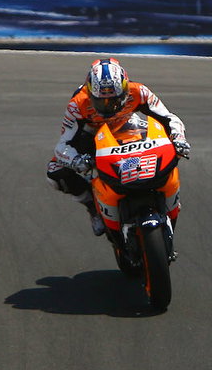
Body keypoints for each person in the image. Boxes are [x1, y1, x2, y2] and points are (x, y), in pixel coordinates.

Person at [47, 58, 190, 236]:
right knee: (55, 171)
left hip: (130, 129)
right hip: (94, 137)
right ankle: (93, 206)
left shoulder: (139, 91)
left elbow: (169, 118)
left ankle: (167, 196)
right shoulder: (78, 104)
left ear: (124, 89)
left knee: (171, 147)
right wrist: (77, 160)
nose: (109, 106)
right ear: (90, 94)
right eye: (101, 101)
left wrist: (178, 139)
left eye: (114, 100)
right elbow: (63, 144)